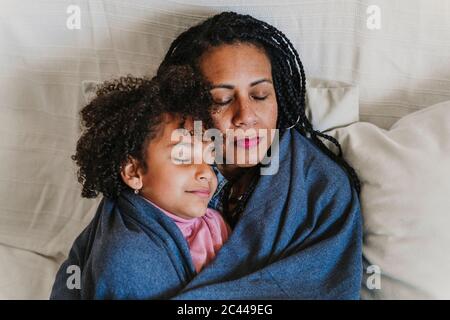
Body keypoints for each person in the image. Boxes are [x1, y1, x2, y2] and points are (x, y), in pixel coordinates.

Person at [156, 11, 364, 299]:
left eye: (260, 95)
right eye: (222, 100)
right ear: (191, 105)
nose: (246, 116)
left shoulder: (323, 189)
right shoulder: (156, 165)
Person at [50, 66, 231, 299]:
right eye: (183, 156)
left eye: (209, 155)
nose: (206, 171)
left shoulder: (210, 218)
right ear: (134, 172)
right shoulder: (127, 261)